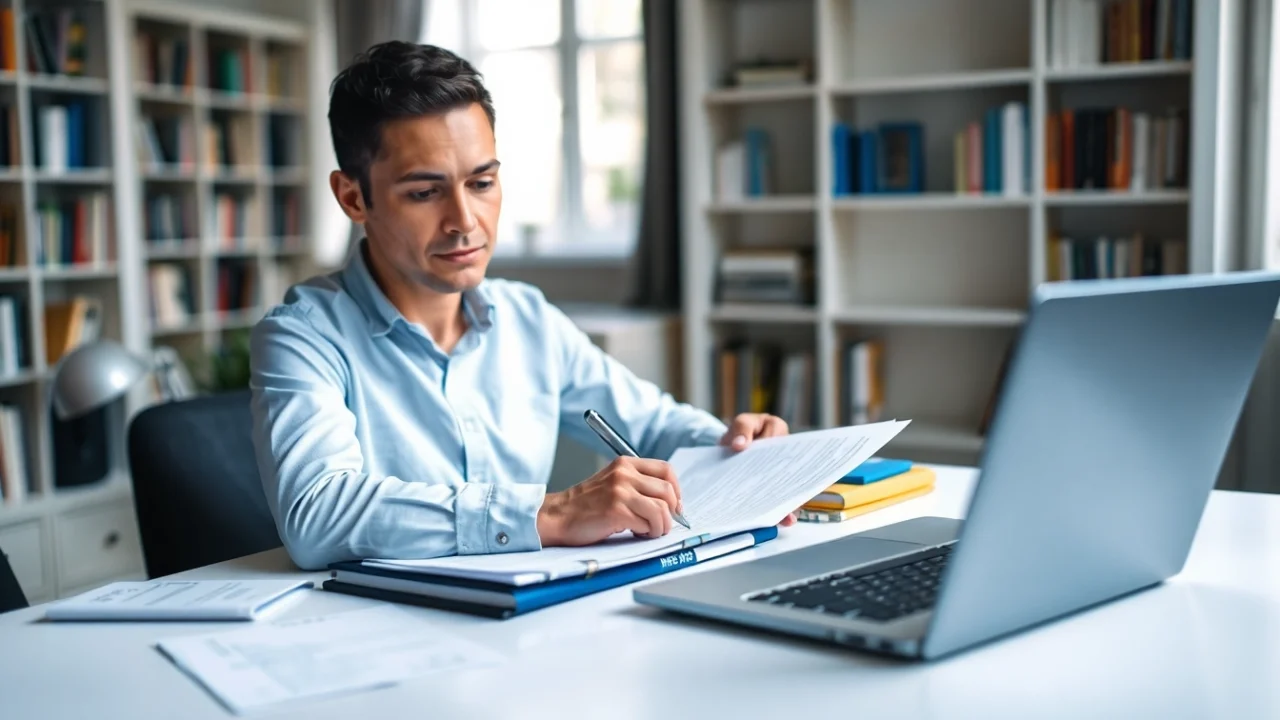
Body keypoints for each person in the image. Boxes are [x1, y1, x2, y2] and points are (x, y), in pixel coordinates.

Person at [249, 41, 792, 571]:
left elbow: (653, 425)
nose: (465, 220)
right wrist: (552, 512)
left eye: (481, 182)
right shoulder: (302, 337)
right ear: (353, 197)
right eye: (424, 193)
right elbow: (316, 513)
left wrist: (736, 448)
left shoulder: (527, 318)